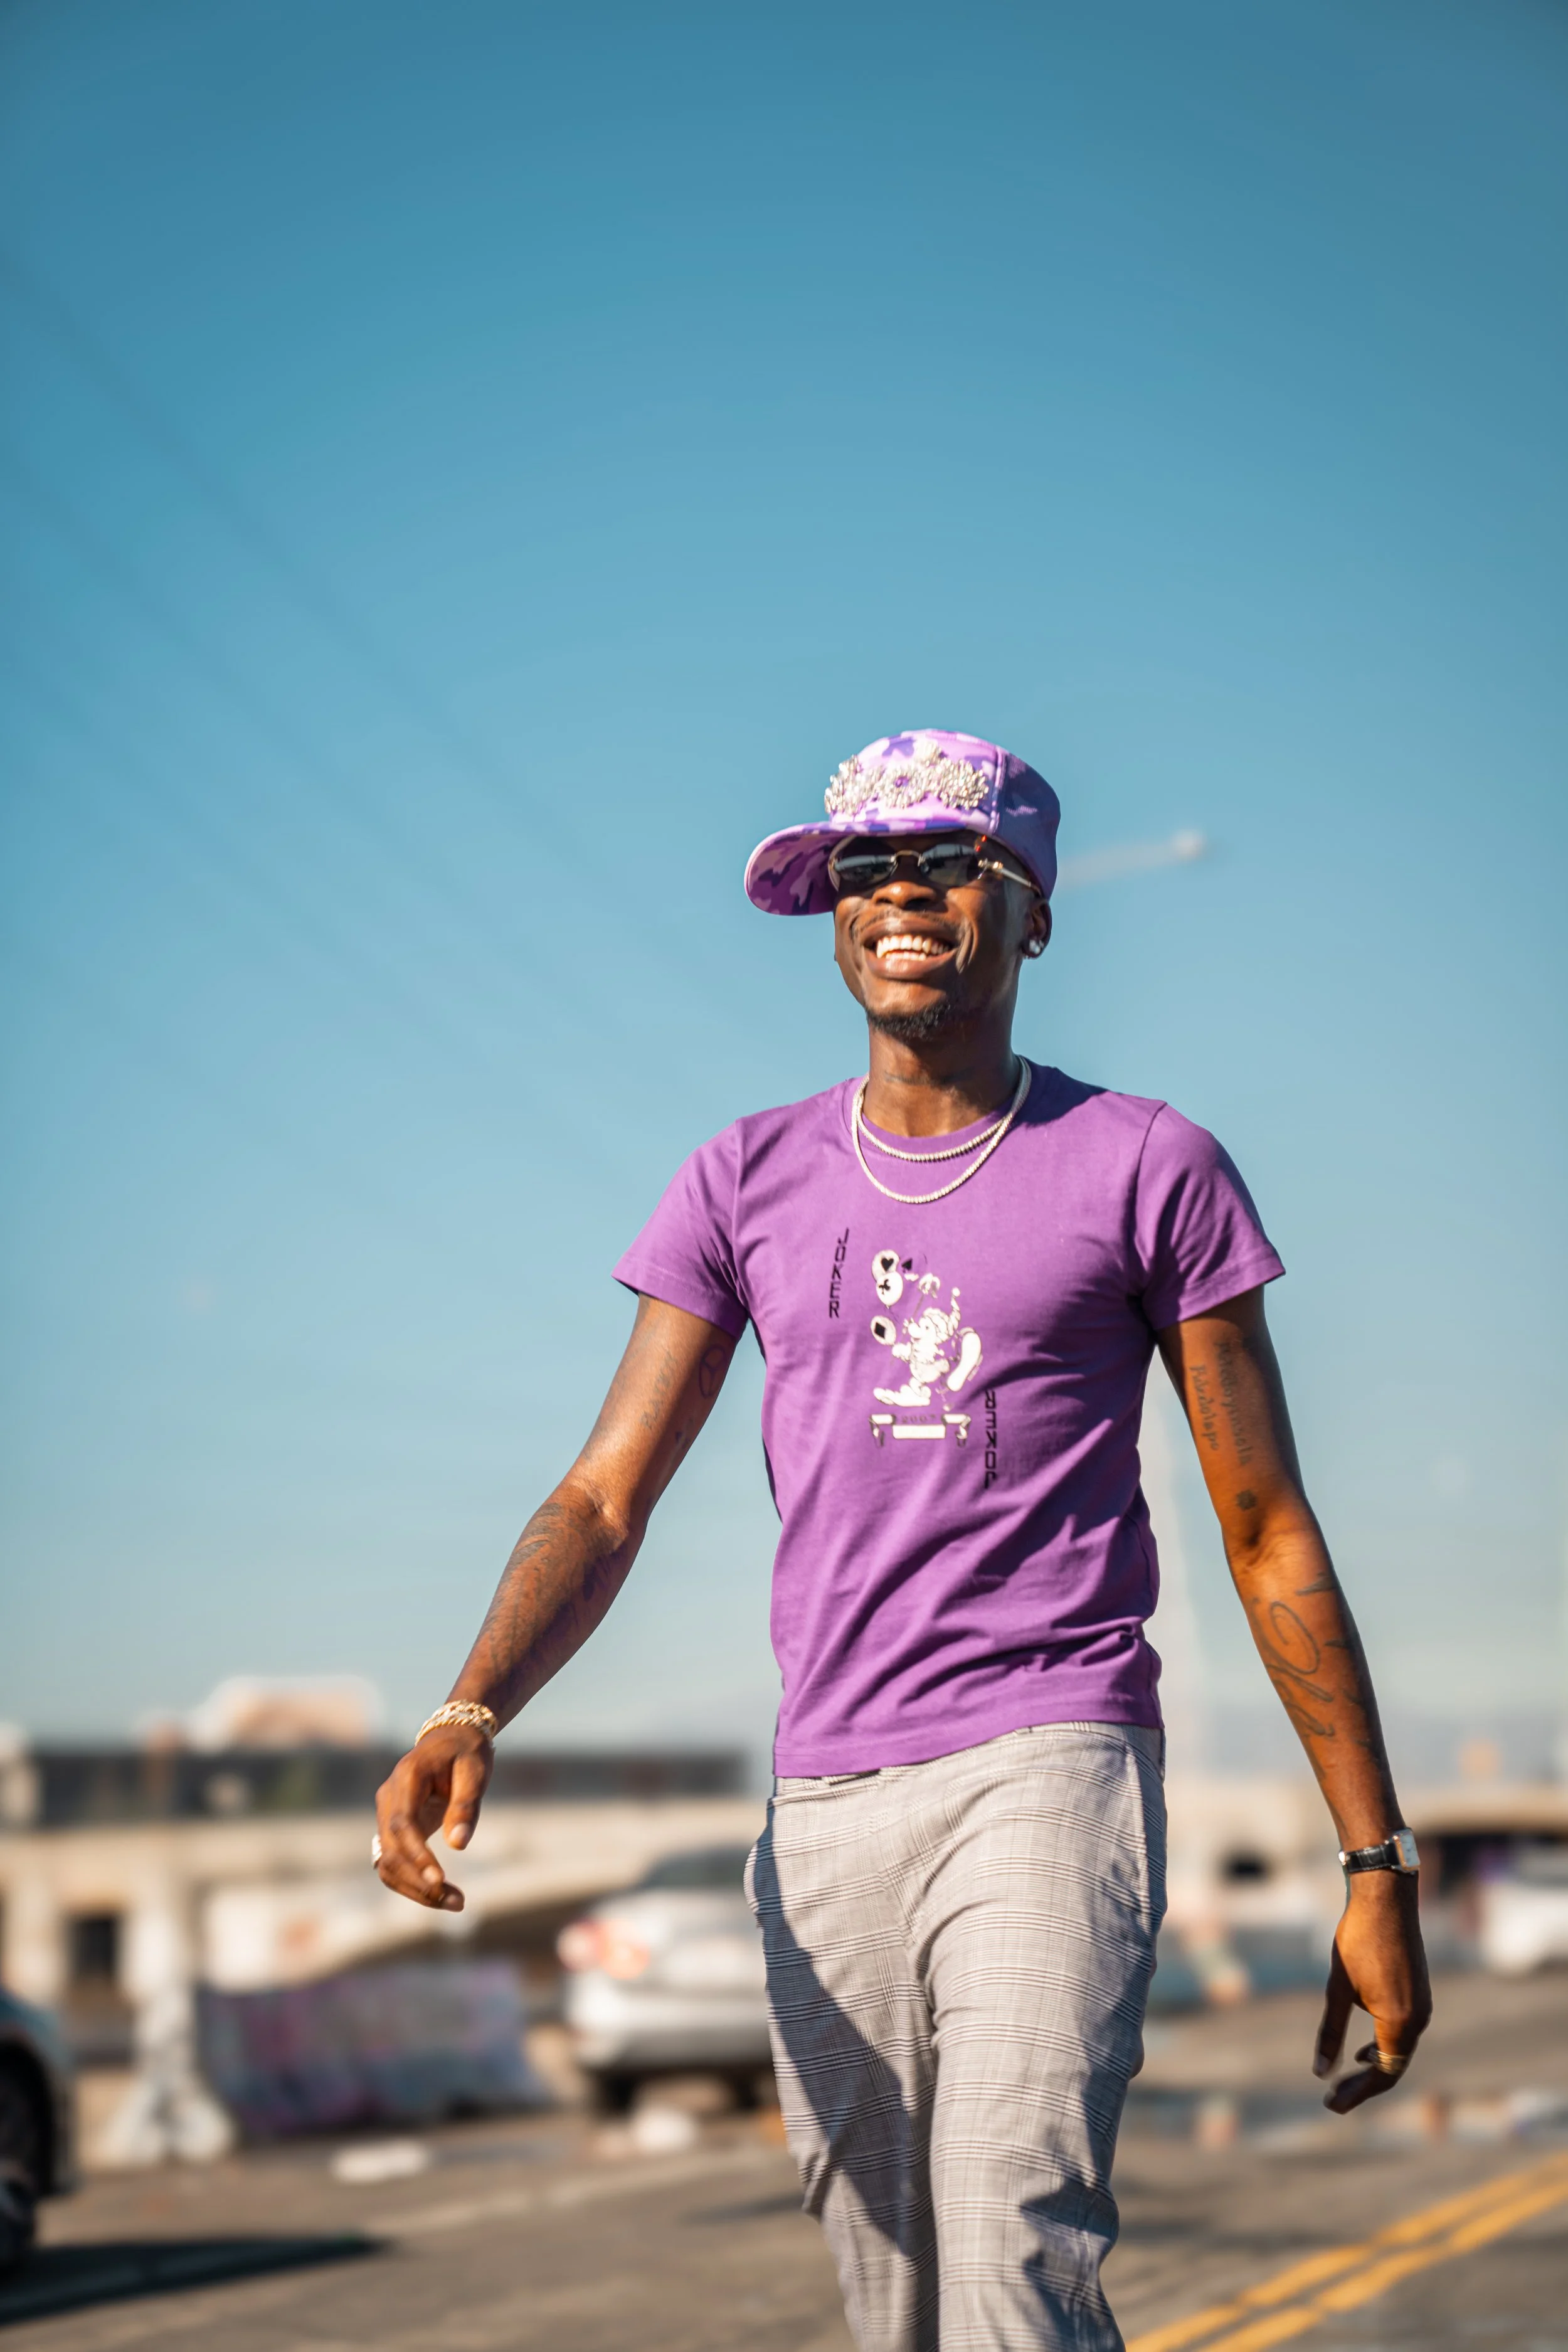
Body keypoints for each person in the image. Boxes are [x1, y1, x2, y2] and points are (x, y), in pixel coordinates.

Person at [374, 730, 1431, 2350]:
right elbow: (602, 1494)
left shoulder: (1148, 1165)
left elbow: (1263, 1521)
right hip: (826, 1797)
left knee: (1011, 2239)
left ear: (1034, 911)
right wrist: (468, 1704)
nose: (896, 896)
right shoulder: (741, 1177)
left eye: (945, 861)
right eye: (861, 869)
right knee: (895, 2300)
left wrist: (1374, 1859)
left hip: (1047, 1759)